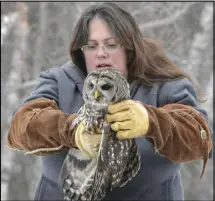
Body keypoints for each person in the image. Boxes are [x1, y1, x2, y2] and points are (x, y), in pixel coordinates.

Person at [7, 2, 212, 201]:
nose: (101, 53)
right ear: (81, 50)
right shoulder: (61, 81)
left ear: (129, 47)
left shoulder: (163, 85)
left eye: (111, 44)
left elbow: (201, 137)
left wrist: (151, 122)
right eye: (91, 45)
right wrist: (72, 130)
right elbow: (22, 125)